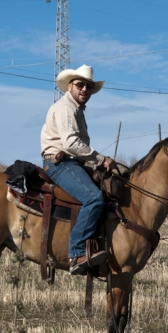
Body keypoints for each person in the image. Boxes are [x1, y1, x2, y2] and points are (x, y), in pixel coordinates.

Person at [40, 64, 118, 276]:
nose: (84, 89)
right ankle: (76, 253)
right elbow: (71, 144)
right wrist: (101, 159)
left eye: (89, 87)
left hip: (72, 163)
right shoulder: (67, 107)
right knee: (94, 198)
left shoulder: (76, 109)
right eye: (80, 85)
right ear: (70, 86)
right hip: (60, 164)